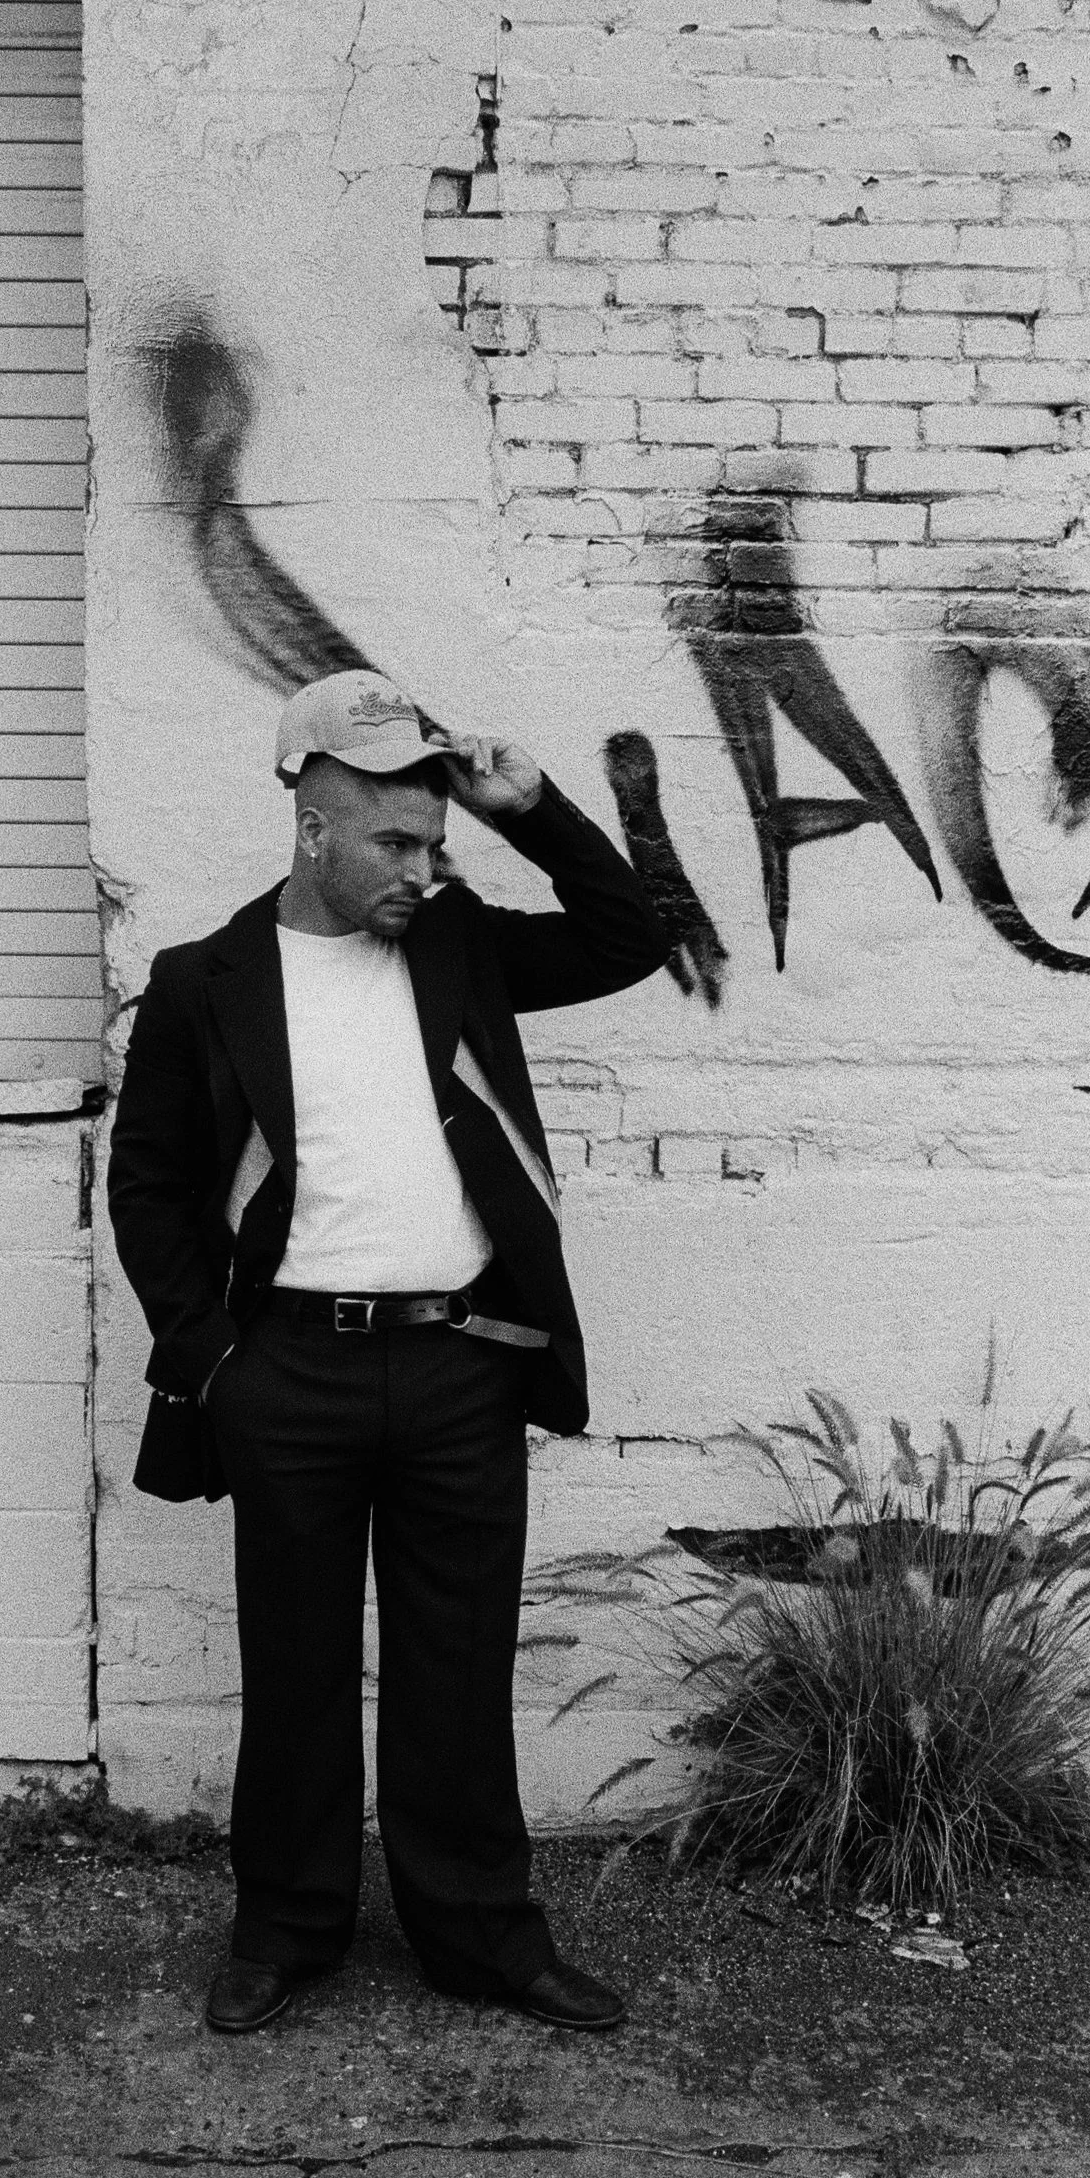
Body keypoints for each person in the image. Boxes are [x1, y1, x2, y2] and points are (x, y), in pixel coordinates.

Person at [106, 670, 676, 2033]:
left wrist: (528, 805)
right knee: (294, 1666)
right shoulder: (204, 983)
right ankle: (286, 1922)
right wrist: (214, 1357)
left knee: (459, 1670)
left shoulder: (458, 947)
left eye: (438, 845)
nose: (424, 869)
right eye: (396, 844)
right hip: (287, 1373)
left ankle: (481, 1934)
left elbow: (632, 935)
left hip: (459, 1363)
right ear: (314, 828)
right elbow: (147, 1188)